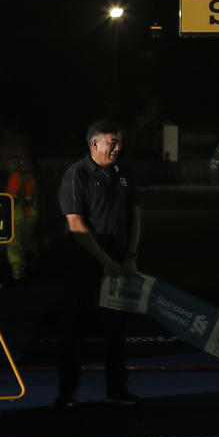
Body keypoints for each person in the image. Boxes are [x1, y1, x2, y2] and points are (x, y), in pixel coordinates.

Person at [55, 119, 141, 408]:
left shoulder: (125, 173)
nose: (117, 147)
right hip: (83, 269)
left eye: (119, 141)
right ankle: (66, 395)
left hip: (117, 268)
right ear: (94, 144)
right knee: (73, 333)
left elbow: (135, 217)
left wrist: (129, 257)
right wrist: (104, 260)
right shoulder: (76, 175)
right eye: (111, 142)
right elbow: (77, 225)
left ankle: (117, 391)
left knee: (116, 332)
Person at [6, 155, 39, 281]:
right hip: (25, 216)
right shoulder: (25, 177)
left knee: (15, 246)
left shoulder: (18, 177)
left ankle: (18, 275)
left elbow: (17, 199)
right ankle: (24, 272)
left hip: (20, 217)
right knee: (25, 245)